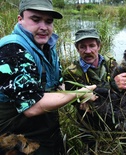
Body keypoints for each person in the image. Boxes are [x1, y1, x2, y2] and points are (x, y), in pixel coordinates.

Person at [0, 1, 97, 155]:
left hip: (47, 132)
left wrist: (82, 99)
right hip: (15, 139)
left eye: (49, 21)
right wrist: (80, 93)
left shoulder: (48, 47)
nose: (44, 27)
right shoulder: (12, 49)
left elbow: (58, 86)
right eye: (36, 19)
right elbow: (32, 107)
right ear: (20, 19)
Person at [63, 28, 126, 154]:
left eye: (92, 46)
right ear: (77, 48)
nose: (88, 51)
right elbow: (79, 101)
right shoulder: (71, 73)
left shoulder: (111, 62)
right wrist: (113, 85)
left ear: (99, 46)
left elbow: (125, 90)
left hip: (118, 120)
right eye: (83, 47)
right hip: (90, 125)